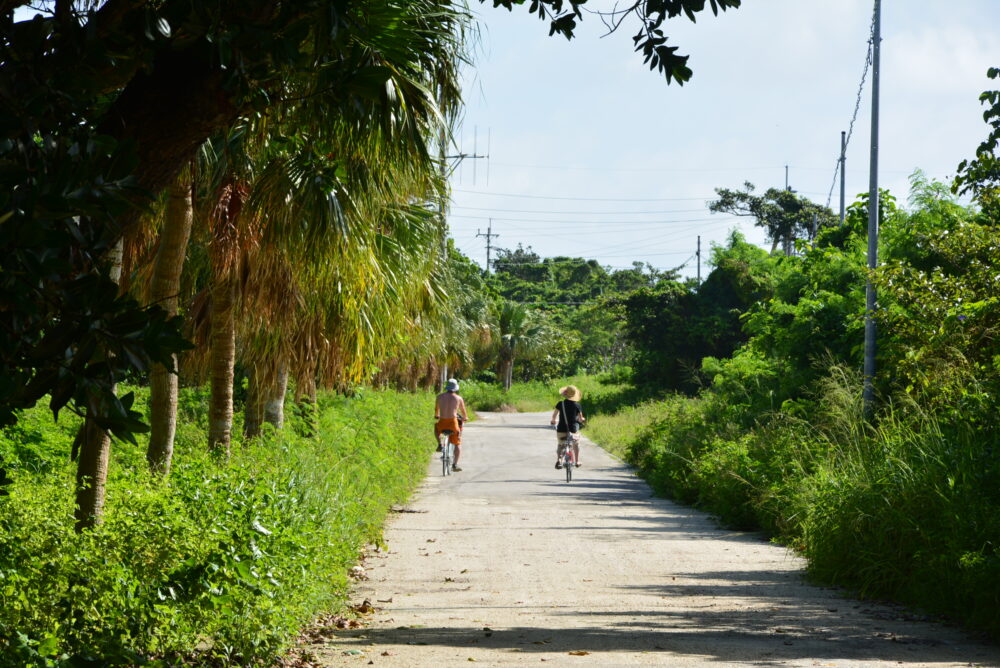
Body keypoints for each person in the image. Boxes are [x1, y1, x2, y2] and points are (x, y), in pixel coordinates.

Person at [435, 378, 468, 472]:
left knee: (436, 428)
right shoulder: (458, 398)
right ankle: (455, 464)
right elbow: (463, 411)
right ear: (455, 388)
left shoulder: (439, 397)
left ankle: (439, 444)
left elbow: (436, 410)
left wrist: (437, 415)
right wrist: (465, 417)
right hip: (453, 423)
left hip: (442, 422)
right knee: (457, 443)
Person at [550, 385, 585, 469]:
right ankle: (577, 461)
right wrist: (582, 419)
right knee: (576, 444)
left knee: (560, 445)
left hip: (561, 429)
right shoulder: (577, 405)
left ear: (565, 394)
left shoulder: (560, 404)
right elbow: (580, 418)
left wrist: (553, 420)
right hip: (573, 430)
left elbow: (554, 415)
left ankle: (559, 460)